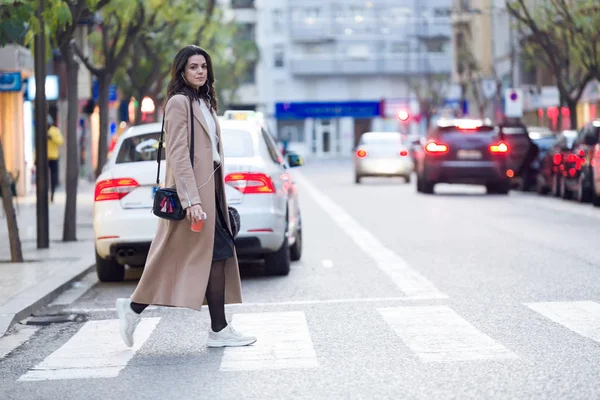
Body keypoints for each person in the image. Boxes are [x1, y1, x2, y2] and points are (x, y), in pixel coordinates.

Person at [115, 45, 256, 348]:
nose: (200, 71)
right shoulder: (179, 103)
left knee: (200, 255)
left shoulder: (204, 101)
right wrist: (191, 199)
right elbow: (178, 153)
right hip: (194, 197)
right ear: (181, 71)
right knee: (201, 255)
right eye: (193, 67)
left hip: (210, 195)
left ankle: (137, 309)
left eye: (204, 66)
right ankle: (214, 329)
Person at [47, 115, 64, 203]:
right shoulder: (42, 131)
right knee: (44, 178)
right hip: (45, 158)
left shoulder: (55, 131)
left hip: (54, 157)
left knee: (53, 177)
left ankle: (52, 194)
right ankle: (46, 194)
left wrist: (52, 138)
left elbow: (60, 141)